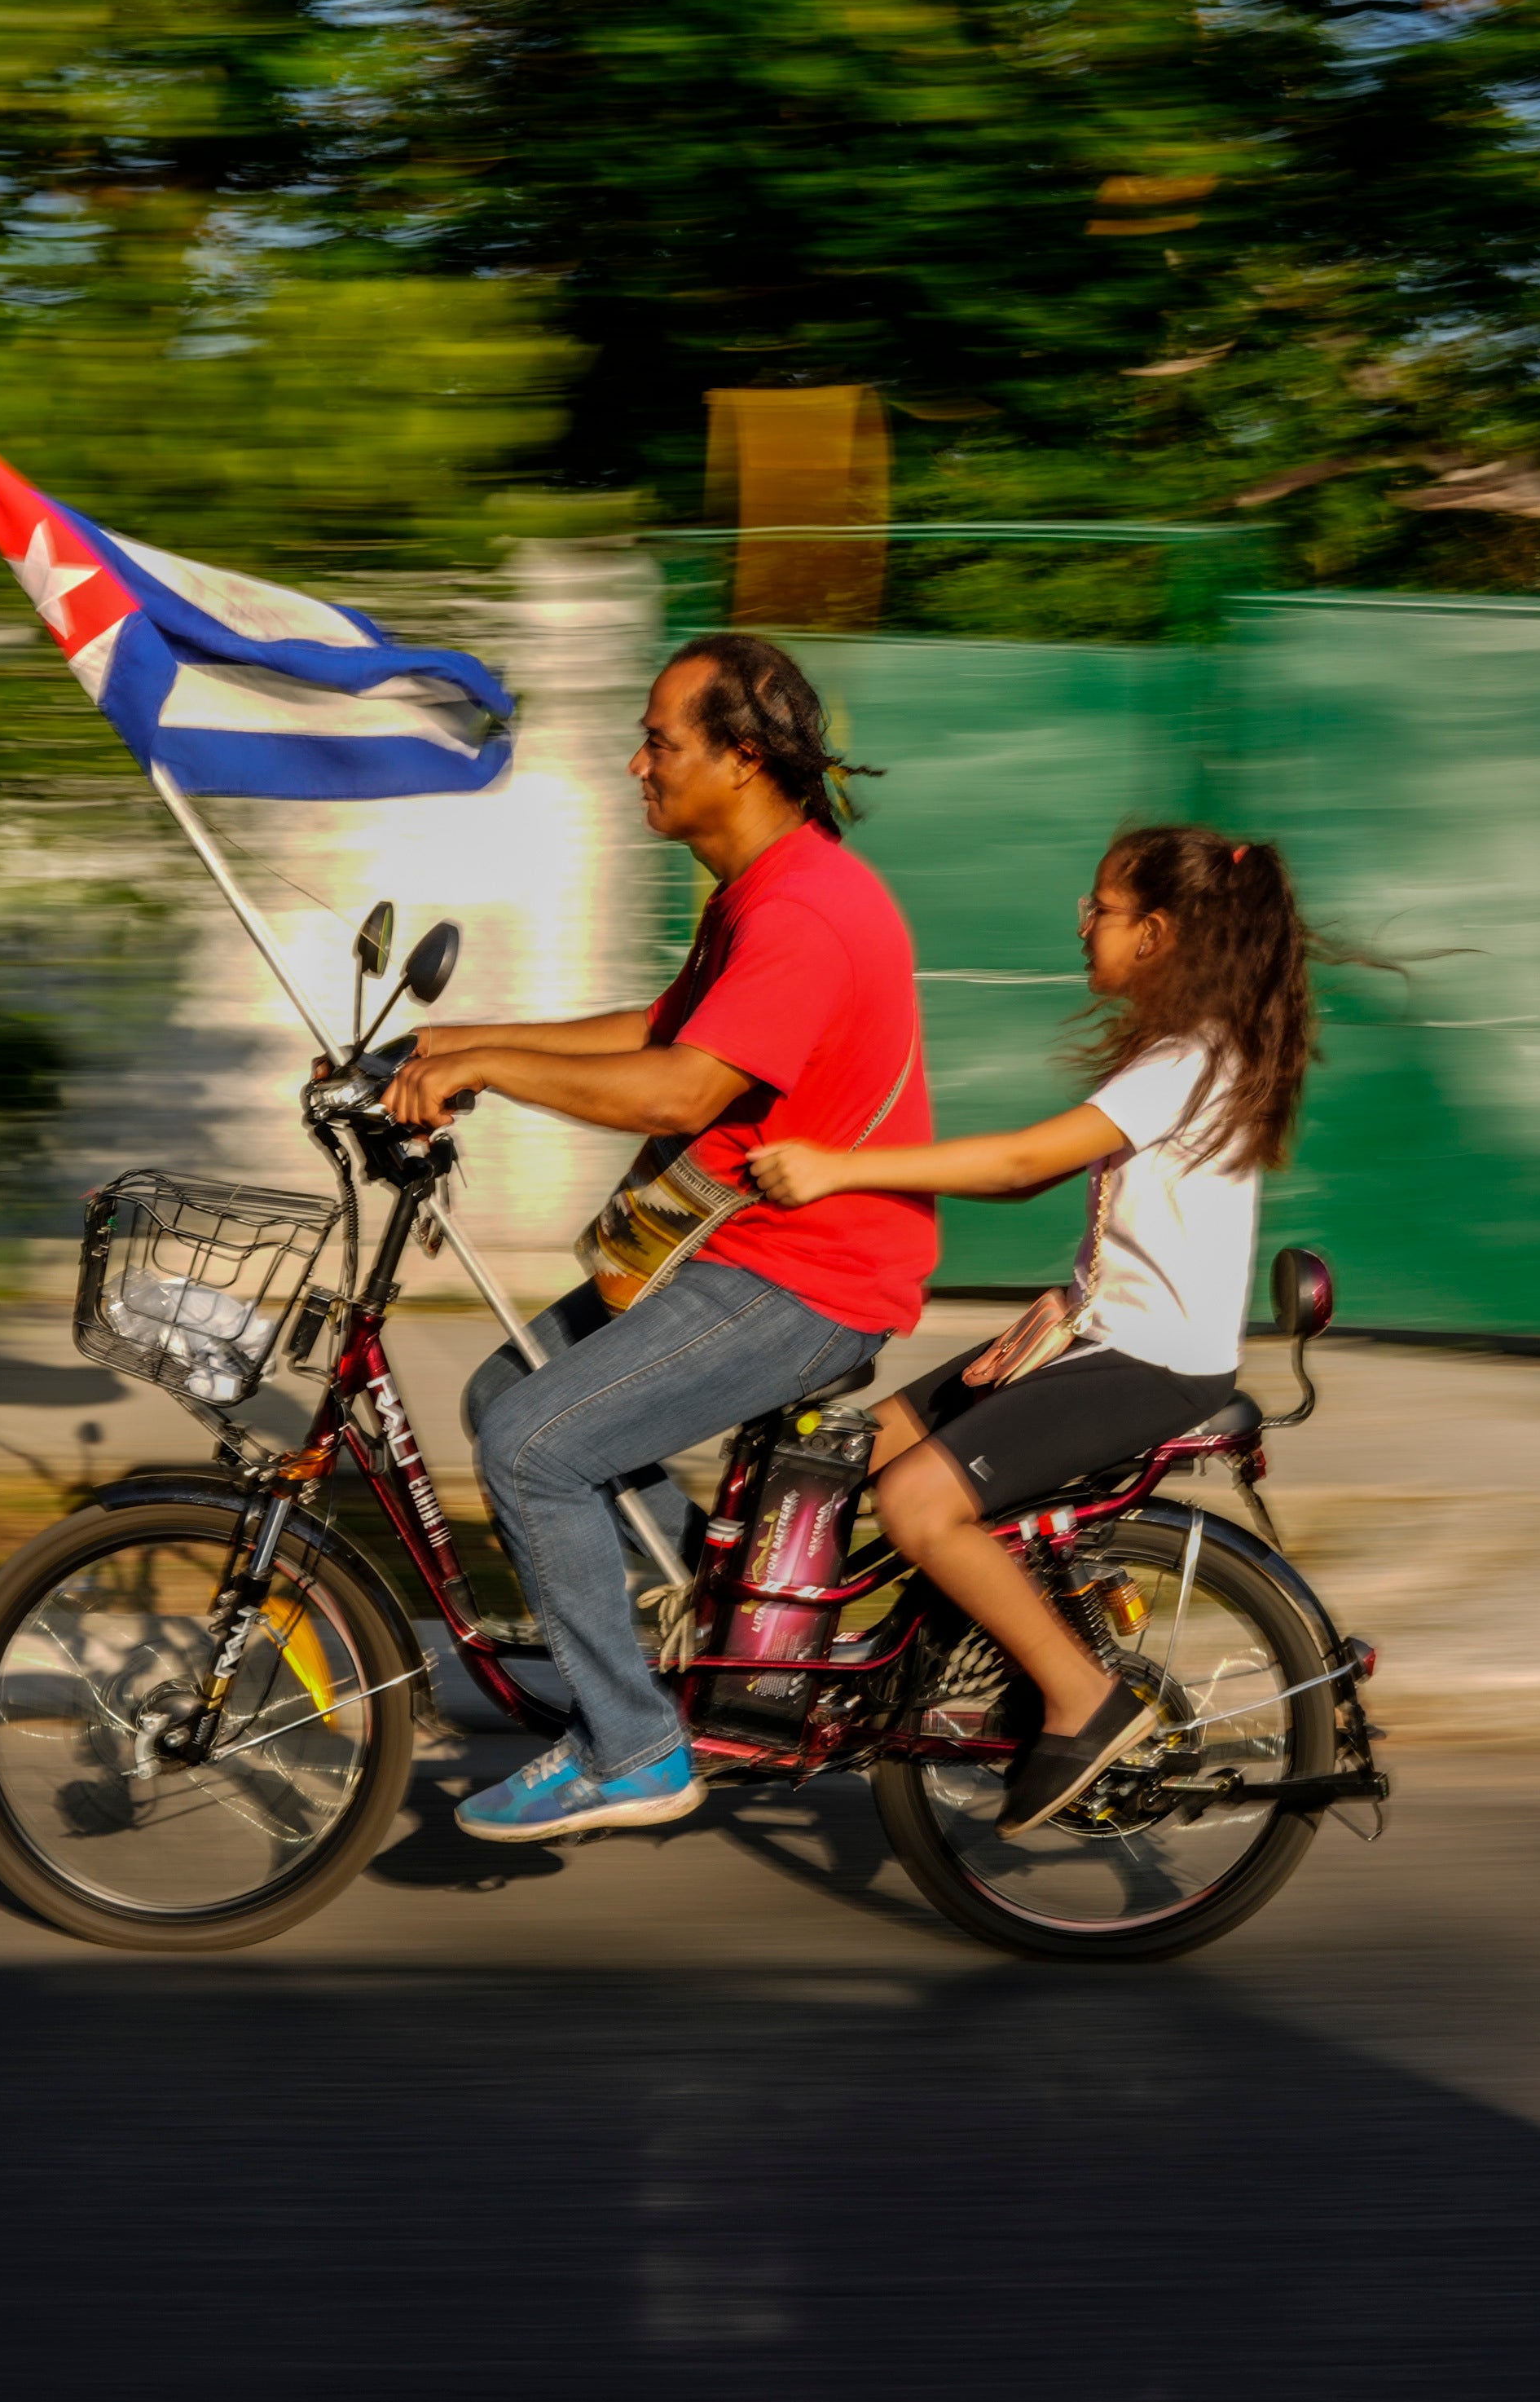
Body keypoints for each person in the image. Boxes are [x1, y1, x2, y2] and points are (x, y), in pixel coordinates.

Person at [381, 632, 935, 1845]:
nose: (637, 763)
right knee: (508, 1390)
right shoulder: (758, 889)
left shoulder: (801, 908)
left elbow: (682, 1090)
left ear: (741, 760)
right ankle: (723, 1622)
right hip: (730, 1247)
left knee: (533, 1447)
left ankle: (629, 1748)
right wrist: (448, 1045)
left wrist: (489, 1067)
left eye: (658, 741)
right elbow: (656, 1025)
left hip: (804, 1272)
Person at [746, 822, 1321, 1834]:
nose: (1081, 925)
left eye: (1096, 908)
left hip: (1149, 1363)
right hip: (1098, 1335)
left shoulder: (1187, 1058)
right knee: (844, 1450)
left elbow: (1019, 1165)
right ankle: (784, 1676)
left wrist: (839, 1167)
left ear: (1154, 932)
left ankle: (1080, 1696)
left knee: (917, 1503)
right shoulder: (1183, 1050)